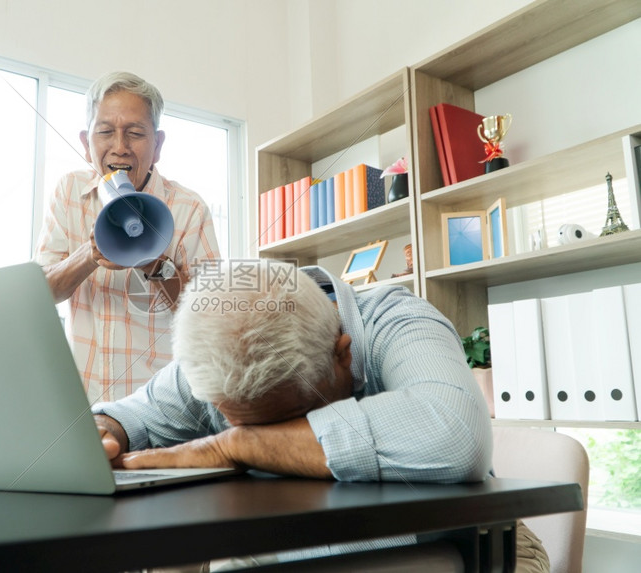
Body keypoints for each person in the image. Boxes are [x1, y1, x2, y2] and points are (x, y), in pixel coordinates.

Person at [92, 259, 549, 571]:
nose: (269, 439)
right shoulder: (219, 347)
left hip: (464, 545)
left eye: (289, 420)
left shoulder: (399, 321)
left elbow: (455, 437)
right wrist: (106, 431)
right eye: (239, 422)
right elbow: (133, 417)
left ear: (342, 355)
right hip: (295, 546)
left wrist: (237, 444)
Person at [35, 71, 220, 403]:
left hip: (159, 407)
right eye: (105, 132)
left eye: (135, 133)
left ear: (158, 144)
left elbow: (209, 314)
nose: (119, 148)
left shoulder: (189, 209)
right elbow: (42, 291)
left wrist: (154, 261)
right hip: (83, 401)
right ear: (85, 143)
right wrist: (90, 253)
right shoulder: (68, 192)